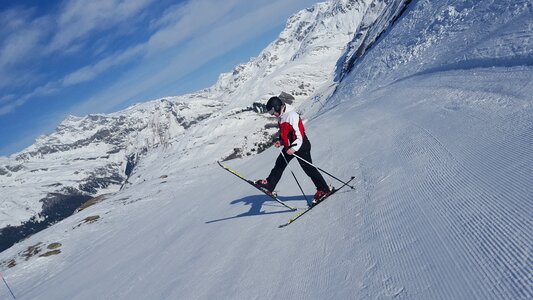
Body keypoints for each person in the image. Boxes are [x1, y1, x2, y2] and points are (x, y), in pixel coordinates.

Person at [255, 96, 331, 205]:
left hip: (301, 146)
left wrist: (293, 148)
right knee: (279, 164)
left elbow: (299, 136)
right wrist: (281, 141)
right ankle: (269, 185)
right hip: (289, 147)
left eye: (272, 111)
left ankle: (324, 189)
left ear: (277, 107)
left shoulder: (292, 116)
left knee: (309, 169)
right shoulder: (281, 116)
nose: (272, 114)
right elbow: (287, 134)